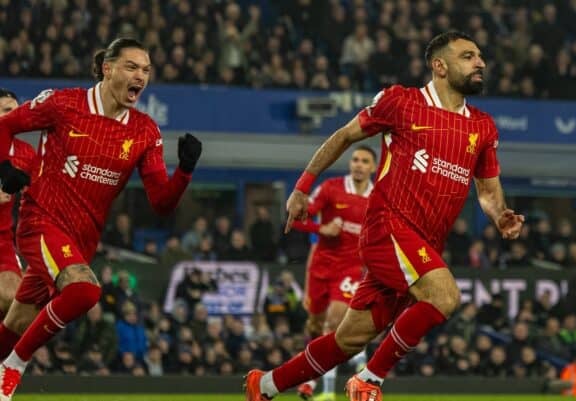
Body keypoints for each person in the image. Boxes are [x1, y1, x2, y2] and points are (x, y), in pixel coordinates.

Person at [245, 30, 524, 401]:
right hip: (388, 227)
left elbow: (488, 192)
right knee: (445, 296)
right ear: (439, 66)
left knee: (348, 339)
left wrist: (500, 214)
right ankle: (370, 379)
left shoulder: (482, 127)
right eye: (468, 56)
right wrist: (302, 186)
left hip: (421, 245)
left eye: (480, 56)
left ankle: (263, 385)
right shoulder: (401, 102)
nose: (481, 63)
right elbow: (344, 136)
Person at [0, 38, 202, 400]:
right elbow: (5, 126)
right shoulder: (63, 104)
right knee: (85, 291)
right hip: (41, 222)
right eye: (131, 67)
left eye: (146, 70)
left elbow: (161, 203)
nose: (140, 76)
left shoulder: (144, 131)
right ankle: (13, 366)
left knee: (16, 321)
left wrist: (184, 171)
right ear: (107, 69)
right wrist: (3, 170)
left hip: (80, 241)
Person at [294, 145, 376, 401]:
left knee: (334, 321)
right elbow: (297, 218)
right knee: (315, 325)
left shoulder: (379, 198)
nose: (359, 164)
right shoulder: (331, 188)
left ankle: (327, 392)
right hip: (320, 267)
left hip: (350, 269)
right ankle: (311, 378)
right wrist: (322, 229)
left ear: (373, 167)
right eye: (355, 160)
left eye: (364, 161)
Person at [0, 89, 38, 324]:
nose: (14, 116)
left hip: (3, 241)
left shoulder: (25, 153)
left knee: (18, 304)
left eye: (17, 111)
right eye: (6, 111)